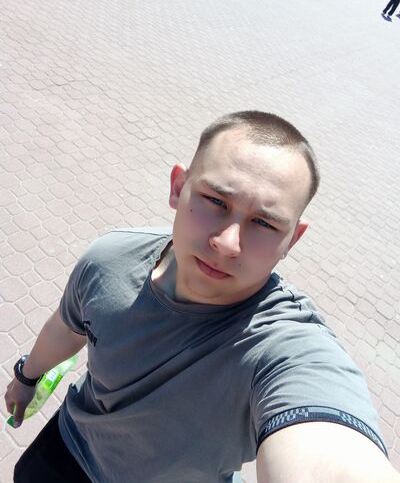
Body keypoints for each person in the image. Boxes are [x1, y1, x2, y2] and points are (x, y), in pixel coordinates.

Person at [5, 111, 400, 483]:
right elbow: (67, 327)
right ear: (179, 188)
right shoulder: (111, 260)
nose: (228, 244)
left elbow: (329, 443)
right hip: (68, 451)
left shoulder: (285, 346)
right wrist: (27, 377)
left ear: (291, 240)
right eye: (216, 201)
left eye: (264, 223)